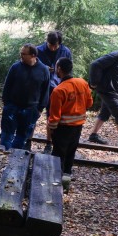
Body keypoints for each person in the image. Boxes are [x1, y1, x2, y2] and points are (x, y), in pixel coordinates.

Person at [46, 57, 92, 190]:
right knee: (71, 152)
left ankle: (55, 182)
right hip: (78, 126)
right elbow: (89, 103)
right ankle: (66, 177)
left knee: (59, 154)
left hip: (63, 128)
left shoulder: (59, 90)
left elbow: (54, 116)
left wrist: (52, 129)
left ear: (59, 69)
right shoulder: (83, 83)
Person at [0, 43, 50, 150]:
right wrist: (7, 104)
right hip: (12, 106)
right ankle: (3, 156)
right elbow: (7, 86)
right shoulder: (15, 67)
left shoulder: (43, 70)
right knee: (6, 135)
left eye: (23, 54)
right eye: (20, 53)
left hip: (31, 109)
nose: (21, 56)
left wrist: (40, 109)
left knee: (22, 137)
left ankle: (14, 160)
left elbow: (45, 91)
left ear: (33, 55)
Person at [89, 50, 118, 147]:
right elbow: (95, 64)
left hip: (115, 91)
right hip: (107, 90)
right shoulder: (116, 55)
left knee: (105, 112)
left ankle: (93, 135)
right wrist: (94, 82)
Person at [36, 30, 72, 109]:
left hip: (58, 86)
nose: (52, 48)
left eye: (55, 46)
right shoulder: (38, 50)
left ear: (59, 43)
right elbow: (32, 66)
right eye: (50, 45)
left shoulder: (66, 52)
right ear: (47, 42)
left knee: (54, 109)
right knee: (37, 110)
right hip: (41, 85)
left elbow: (69, 70)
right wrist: (44, 68)